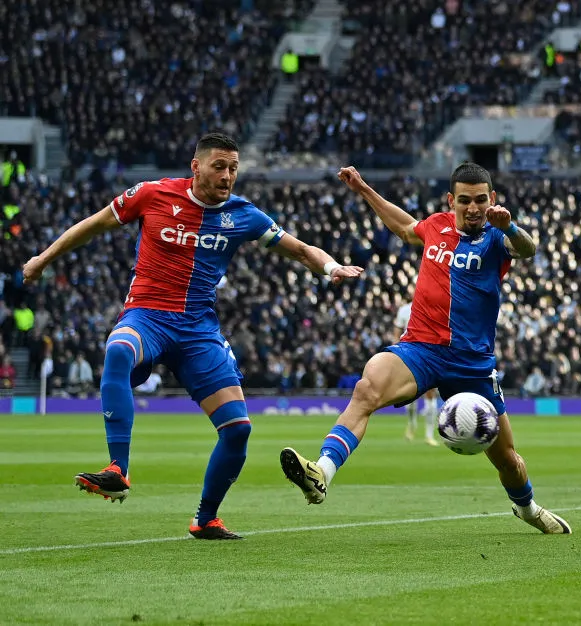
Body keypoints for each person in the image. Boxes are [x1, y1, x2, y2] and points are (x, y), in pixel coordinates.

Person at [21, 133, 363, 540]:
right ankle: (118, 469)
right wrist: (43, 259)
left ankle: (206, 519)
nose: (227, 176)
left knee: (238, 429)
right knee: (119, 349)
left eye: (233, 168)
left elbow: (303, 250)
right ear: (196, 166)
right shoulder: (152, 195)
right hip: (148, 316)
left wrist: (331, 268)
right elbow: (93, 225)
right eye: (219, 166)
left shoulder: (243, 215)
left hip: (198, 330)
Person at [279, 162, 572, 534]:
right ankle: (322, 471)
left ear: (492, 199)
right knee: (367, 388)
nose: (473, 208)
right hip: (422, 348)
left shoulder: (497, 238)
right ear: (451, 201)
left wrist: (509, 226)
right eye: (464, 200)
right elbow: (404, 226)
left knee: (507, 461)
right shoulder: (436, 226)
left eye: (480, 200)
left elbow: (527, 249)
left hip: (472, 364)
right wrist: (364, 188)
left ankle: (527, 509)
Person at [393, 288, 440, 446]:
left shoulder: (432, 308)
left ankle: (429, 434)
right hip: (408, 354)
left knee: (430, 393)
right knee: (409, 396)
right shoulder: (404, 310)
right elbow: (397, 332)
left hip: (428, 354)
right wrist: (396, 352)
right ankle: (412, 424)